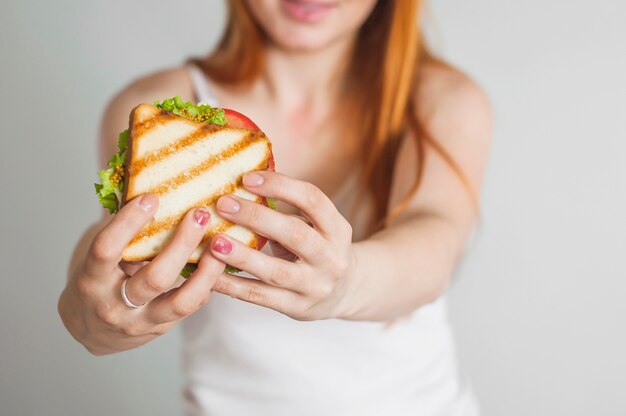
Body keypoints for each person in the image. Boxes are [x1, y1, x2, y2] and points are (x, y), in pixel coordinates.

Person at [59, 0, 491, 414]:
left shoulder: (442, 100)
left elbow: (435, 233)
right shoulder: (154, 110)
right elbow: (114, 244)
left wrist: (349, 281)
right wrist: (93, 312)